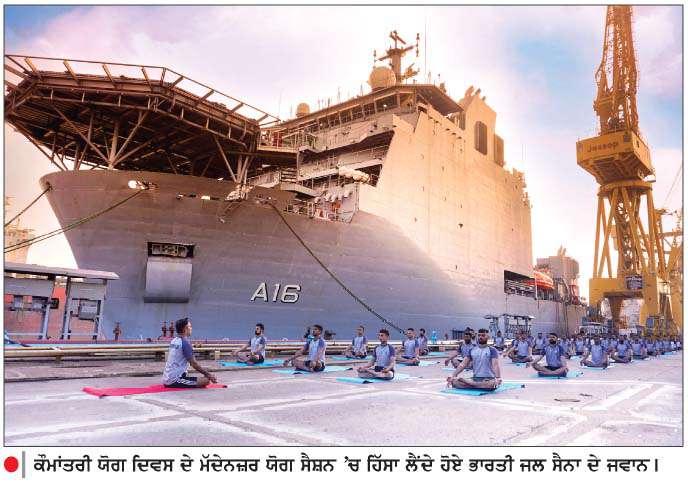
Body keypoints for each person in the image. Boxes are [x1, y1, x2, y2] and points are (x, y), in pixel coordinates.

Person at [162, 318, 217, 388]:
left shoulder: (174, 341)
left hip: (167, 377)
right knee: (206, 381)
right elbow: (194, 364)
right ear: (185, 328)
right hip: (174, 380)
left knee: (199, 377)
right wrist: (208, 374)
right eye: (190, 326)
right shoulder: (185, 343)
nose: (191, 328)